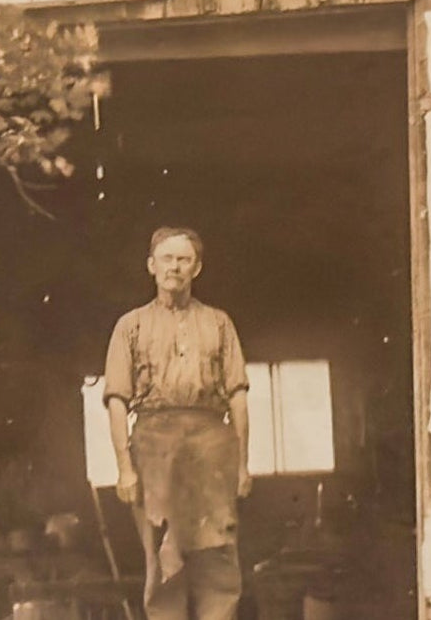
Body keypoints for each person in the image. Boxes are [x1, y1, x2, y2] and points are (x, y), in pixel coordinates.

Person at [103, 226, 251, 620]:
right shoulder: (129, 326)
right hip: (154, 447)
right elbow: (116, 400)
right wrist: (124, 468)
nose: (175, 267)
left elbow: (238, 395)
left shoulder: (220, 323)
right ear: (151, 266)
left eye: (184, 259)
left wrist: (242, 465)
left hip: (210, 446)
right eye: (167, 259)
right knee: (163, 559)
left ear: (196, 268)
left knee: (218, 555)